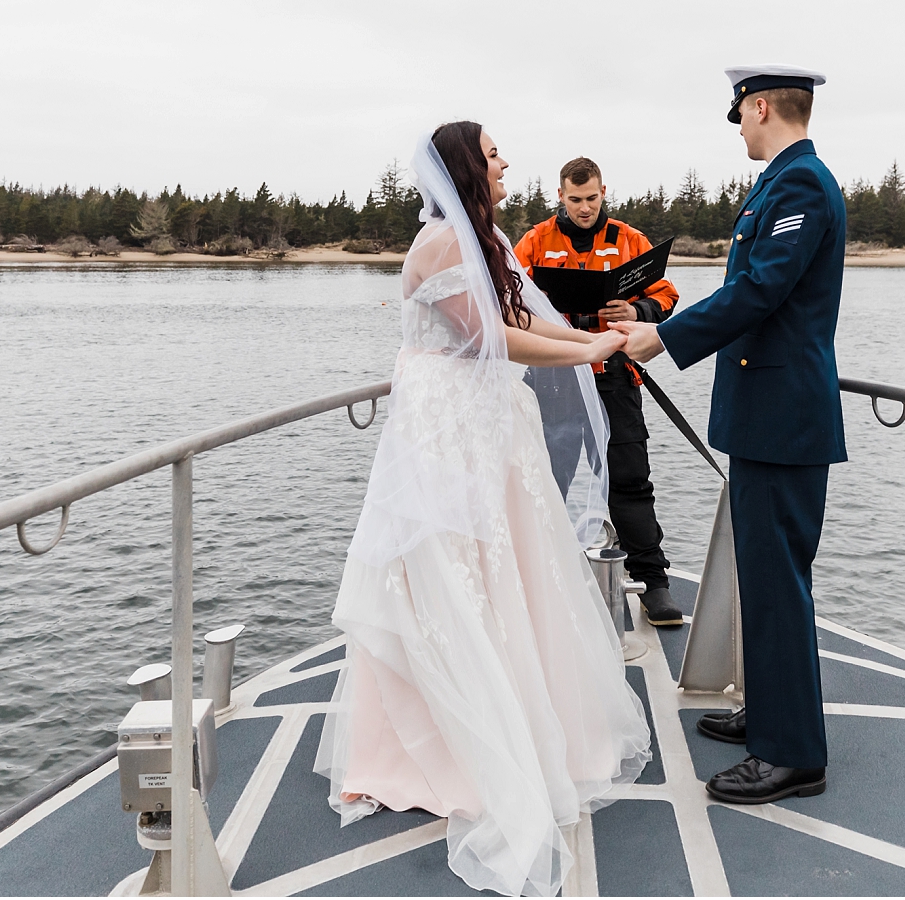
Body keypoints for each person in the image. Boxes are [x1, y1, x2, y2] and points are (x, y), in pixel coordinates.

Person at [316, 121, 652, 897]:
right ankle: (432, 745)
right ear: (469, 166)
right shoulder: (439, 245)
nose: (506, 163)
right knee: (446, 574)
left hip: (484, 423)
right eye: (495, 153)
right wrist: (589, 353)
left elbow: (524, 321)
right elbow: (489, 336)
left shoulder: (483, 235)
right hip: (443, 429)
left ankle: (524, 714)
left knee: (506, 572)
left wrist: (587, 337)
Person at [610, 66, 845, 807]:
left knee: (779, 586)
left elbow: (760, 289)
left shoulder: (801, 185)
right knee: (765, 581)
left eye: (741, 113)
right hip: (767, 415)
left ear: (763, 104)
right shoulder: (781, 183)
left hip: (784, 418)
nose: (739, 125)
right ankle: (772, 716)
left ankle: (793, 754)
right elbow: (751, 292)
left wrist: (663, 337)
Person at [513, 157, 685, 628]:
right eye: (575, 199)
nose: (585, 208)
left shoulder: (631, 240)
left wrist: (636, 309)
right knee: (547, 481)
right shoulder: (535, 241)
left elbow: (667, 297)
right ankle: (535, 581)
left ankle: (653, 583)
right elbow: (508, 300)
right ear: (561, 196)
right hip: (554, 377)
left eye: (592, 199)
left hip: (615, 376)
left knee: (630, 479)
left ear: (603, 191)